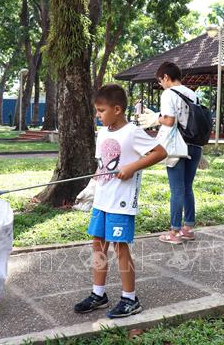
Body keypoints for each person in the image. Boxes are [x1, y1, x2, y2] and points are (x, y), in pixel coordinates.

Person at [74, 84, 166, 318]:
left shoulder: (132, 132)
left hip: (121, 202)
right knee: (98, 245)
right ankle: (99, 294)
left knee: (120, 248)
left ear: (117, 109)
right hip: (102, 200)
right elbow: (102, 165)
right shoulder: (103, 133)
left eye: (101, 110)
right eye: (96, 110)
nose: (98, 114)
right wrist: (92, 185)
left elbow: (159, 152)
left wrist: (132, 167)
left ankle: (130, 298)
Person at [155, 61, 202, 244]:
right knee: (187, 188)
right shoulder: (193, 94)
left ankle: (174, 232)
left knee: (176, 189)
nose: (161, 85)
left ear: (166, 77)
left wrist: (155, 118)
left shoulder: (168, 93)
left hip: (176, 146)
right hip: (195, 145)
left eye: (160, 81)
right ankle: (188, 229)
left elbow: (169, 121)